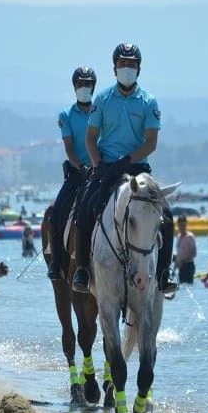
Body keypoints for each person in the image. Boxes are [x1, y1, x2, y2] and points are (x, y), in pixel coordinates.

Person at [71, 43, 177, 295]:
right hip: (106, 167)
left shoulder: (149, 102)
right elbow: (90, 138)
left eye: (131, 64)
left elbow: (151, 142)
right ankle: (83, 270)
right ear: (114, 67)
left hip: (138, 168)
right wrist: (99, 166)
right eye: (122, 64)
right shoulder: (103, 99)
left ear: (138, 68)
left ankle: (163, 273)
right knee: (84, 208)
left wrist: (128, 160)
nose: (126, 68)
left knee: (168, 215)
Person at [47, 67, 97, 281]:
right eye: (80, 84)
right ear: (74, 87)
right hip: (77, 173)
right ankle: (57, 263)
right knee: (57, 211)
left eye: (88, 84)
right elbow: (69, 147)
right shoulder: (66, 115)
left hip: (100, 171)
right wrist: (81, 167)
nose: (84, 88)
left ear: (93, 87)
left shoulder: (100, 111)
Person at [175, 215, 197, 285]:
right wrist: (176, 264)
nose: (182, 227)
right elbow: (179, 252)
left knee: (188, 287)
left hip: (188, 266)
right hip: (181, 267)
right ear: (178, 225)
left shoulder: (189, 237)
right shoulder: (178, 236)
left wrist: (183, 262)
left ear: (186, 225)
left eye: (184, 225)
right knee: (181, 286)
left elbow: (194, 253)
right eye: (180, 225)